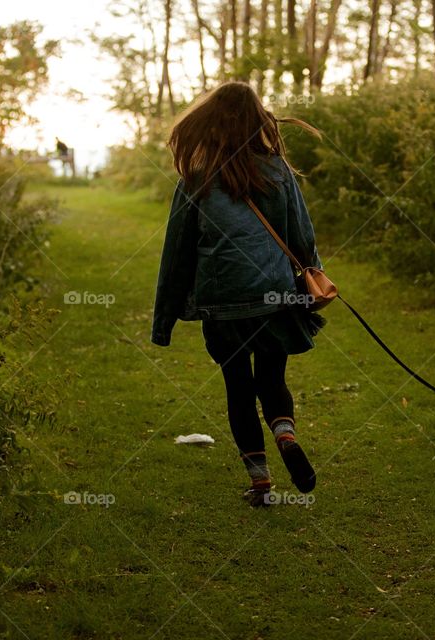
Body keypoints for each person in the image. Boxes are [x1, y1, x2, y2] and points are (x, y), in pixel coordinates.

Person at [151, 82, 326, 506]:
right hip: (276, 296)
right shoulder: (278, 171)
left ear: (208, 122)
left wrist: (164, 322)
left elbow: (176, 255)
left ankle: (261, 482)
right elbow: (300, 235)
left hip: (223, 302)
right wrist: (314, 279)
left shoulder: (196, 179)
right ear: (256, 120)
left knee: (238, 386)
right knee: (272, 376)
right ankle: (285, 433)